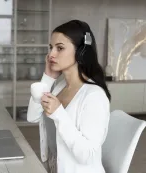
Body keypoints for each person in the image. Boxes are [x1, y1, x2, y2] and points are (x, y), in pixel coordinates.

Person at [27, 20, 111, 173]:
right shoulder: (59, 86)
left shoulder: (94, 97)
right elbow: (32, 117)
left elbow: (88, 156)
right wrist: (48, 77)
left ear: (81, 52)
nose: (51, 54)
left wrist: (59, 114)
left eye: (60, 48)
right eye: (51, 47)